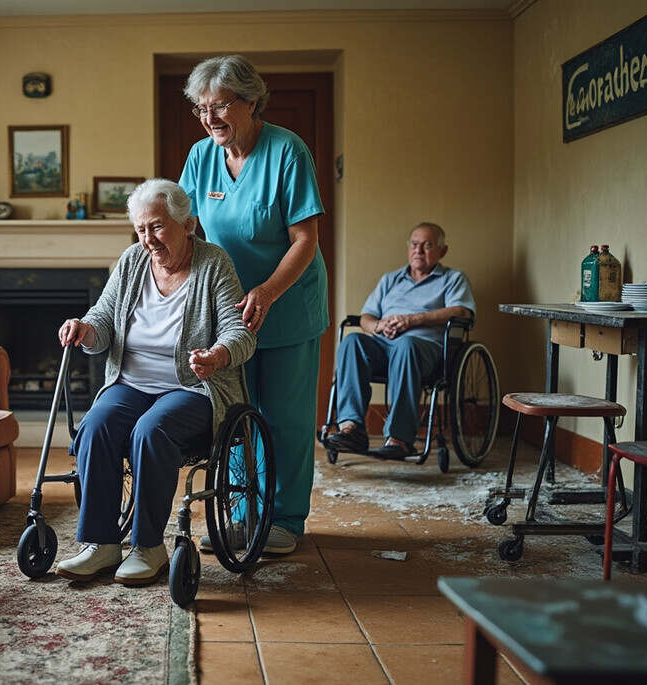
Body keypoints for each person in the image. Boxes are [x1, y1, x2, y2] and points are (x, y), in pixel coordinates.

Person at [55, 178, 256, 586]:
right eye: (142, 229)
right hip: (131, 384)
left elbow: (241, 333)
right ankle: (100, 542)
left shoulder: (213, 263)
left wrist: (216, 356)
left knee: (151, 429)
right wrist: (84, 329)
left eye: (158, 227)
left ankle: (148, 547)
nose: (149, 239)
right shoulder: (131, 261)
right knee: (95, 425)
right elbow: (103, 319)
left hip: (192, 388)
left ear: (188, 225)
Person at [178, 55, 326, 555]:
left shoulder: (288, 151)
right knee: (236, 413)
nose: (211, 118)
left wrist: (266, 290)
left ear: (252, 101)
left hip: (286, 303)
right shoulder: (201, 157)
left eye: (220, 106)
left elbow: (305, 237)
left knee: (284, 416)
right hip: (227, 311)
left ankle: (283, 518)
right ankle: (241, 514)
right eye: (202, 109)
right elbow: (185, 230)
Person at [324, 222, 476, 459]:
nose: (419, 250)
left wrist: (413, 320)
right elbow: (366, 316)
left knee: (406, 345)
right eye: (414, 245)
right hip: (385, 346)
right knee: (352, 341)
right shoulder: (390, 280)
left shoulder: (452, 279)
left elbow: (462, 312)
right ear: (408, 248)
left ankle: (399, 438)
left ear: (442, 251)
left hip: (425, 350)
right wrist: (378, 325)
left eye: (427, 245)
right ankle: (351, 428)